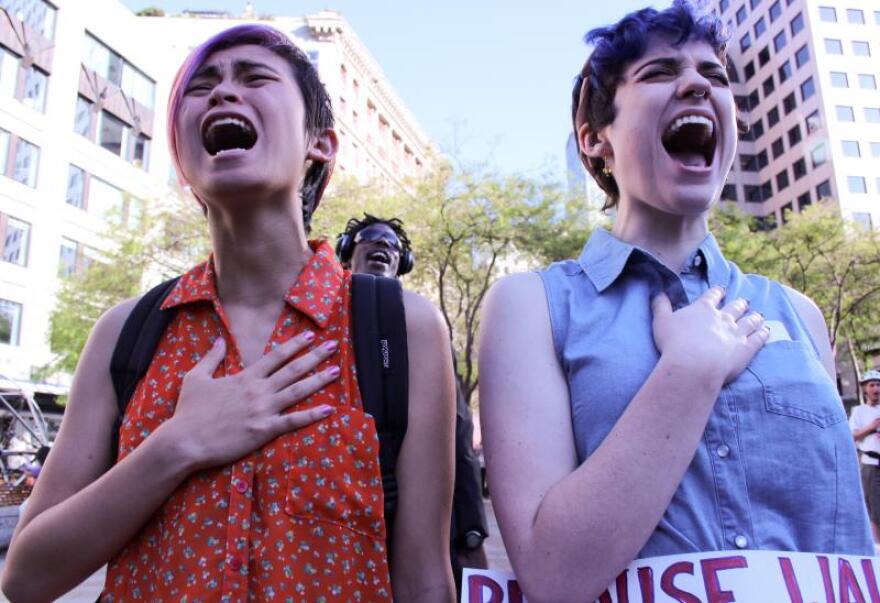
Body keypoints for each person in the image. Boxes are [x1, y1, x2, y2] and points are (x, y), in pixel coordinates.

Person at [1, 25, 455, 603]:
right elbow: (26, 577)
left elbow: (424, 582)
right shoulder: (127, 333)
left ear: (322, 144)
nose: (221, 94)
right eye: (202, 86)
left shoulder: (402, 330)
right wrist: (177, 445)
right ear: (183, 158)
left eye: (255, 77)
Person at [478, 3, 873, 602]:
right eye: (659, 72)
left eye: (714, 77)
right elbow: (553, 577)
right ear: (595, 139)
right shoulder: (530, 306)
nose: (696, 83)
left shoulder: (800, 313)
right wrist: (688, 372)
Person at [336, 214, 490, 591]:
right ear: (346, 252)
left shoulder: (425, 328)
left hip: (413, 532)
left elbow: (458, 436)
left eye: (394, 243)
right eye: (371, 237)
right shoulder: (317, 319)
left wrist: (470, 532)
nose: (384, 245)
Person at [850, 369, 880, 543]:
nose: (876, 389)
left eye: (878, 385)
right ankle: (877, 546)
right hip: (870, 462)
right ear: (865, 389)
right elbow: (851, 436)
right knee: (874, 506)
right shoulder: (859, 412)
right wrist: (870, 427)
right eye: (872, 385)